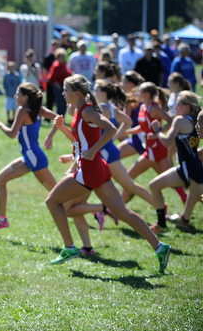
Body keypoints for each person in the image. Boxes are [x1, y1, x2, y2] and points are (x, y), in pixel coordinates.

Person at [46, 74, 171, 273]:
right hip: (96, 168)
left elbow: (111, 129)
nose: (62, 93)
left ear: (76, 93)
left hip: (89, 170)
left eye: (65, 90)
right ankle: (160, 247)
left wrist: (94, 149)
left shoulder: (88, 112)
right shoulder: (79, 111)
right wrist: (62, 128)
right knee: (123, 213)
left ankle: (70, 247)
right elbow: (78, 141)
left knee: (52, 202)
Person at [0, 82, 58, 230]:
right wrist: (50, 136)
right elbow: (58, 118)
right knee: (0, 180)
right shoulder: (37, 110)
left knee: (58, 195)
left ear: (25, 97)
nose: (15, 96)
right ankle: (2, 219)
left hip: (35, 159)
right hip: (29, 158)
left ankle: (97, 210)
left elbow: (12, 134)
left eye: (17, 94)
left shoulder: (23, 111)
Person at [122, 82, 187, 209]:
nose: (137, 94)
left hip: (155, 150)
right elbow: (143, 126)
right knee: (171, 179)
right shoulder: (142, 107)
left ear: (146, 94)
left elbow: (170, 121)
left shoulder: (154, 108)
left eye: (139, 92)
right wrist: (129, 131)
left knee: (128, 177)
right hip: (151, 149)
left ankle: (118, 209)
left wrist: (159, 133)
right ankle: (186, 199)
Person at [148, 91, 202, 232]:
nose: (175, 106)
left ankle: (164, 223)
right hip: (191, 166)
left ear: (186, 107)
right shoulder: (193, 121)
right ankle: (180, 220)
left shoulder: (180, 120)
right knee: (155, 185)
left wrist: (157, 130)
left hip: (189, 168)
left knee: (155, 186)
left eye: (178, 104)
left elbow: (166, 141)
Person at [118, 71, 146, 159]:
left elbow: (126, 121)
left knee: (110, 157)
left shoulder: (130, 99)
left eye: (123, 82)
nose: (121, 84)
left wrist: (116, 136)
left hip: (141, 138)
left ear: (130, 84)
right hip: (137, 138)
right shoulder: (142, 95)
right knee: (111, 156)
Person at [47, 48, 72, 117]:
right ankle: (59, 118)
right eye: (62, 56)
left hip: (65, 87)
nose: (63, 58)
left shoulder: (64, 64)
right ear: (58, 57)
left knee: (64, 103)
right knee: (60, 103)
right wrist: (59, 86)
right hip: (59, 88)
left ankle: (62, 117)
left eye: (64, 56)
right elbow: (51, 78)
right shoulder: (56, 66)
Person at [3, 61, 20, 126]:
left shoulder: (17, 75)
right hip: (9, 95)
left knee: (14, 107)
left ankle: (13, 118)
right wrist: (7, 91)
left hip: (15, 95)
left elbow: (18, 84)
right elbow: (5, 85)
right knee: (8, 107)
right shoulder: (6, 75)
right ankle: (8, 119)